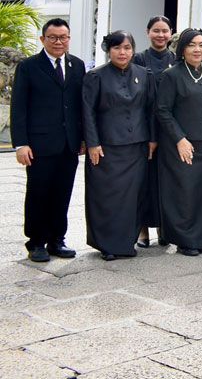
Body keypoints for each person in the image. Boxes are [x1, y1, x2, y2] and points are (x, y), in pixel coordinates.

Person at [12, 18, 86, 262]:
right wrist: (21, 144)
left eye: (63, 37)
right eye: (53, 37)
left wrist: (83, 138)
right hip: (39, 144)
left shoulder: (77, 65)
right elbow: (19, 107)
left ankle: (57, 239)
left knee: (62, 193)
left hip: (69, 144)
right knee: (38, 193)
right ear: (43, 39)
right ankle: (36, 242)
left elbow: (80, 105)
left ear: (69, 38)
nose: (58, 42)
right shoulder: (29, 67)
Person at [82, 31, 155, 261]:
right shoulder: (96, 76)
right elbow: (88, 112)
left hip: (137, 146)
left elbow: (151, 109)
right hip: (107, 147)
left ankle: (127, 241)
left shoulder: (144, 74)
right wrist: (93, 143)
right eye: (117, 48)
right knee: (107, 196)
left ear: (133, 50)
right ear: (108, 50)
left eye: (127, 48)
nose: (122, 53)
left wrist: (152, 139)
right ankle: (107, 244)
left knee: (133, 196)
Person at [156, 28, 202, 257]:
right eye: (192, 45)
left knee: (201, 193)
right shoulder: (171, 75)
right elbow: (163, 110)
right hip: (181, 144)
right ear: (183, 48)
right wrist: (180, 139)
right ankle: (185, 240)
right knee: (183, 192)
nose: (198, 49)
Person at [133, 15, 175, 246]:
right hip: (145, 127)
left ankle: (164, 228)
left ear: (171, 33)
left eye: (165, 31)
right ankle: (142, 230)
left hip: (169, 129)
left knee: (166, 181)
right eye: (156, 31)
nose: (160, 35)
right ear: (148, 32)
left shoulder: (177, 58)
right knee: (144, 181)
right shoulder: (138, 59)